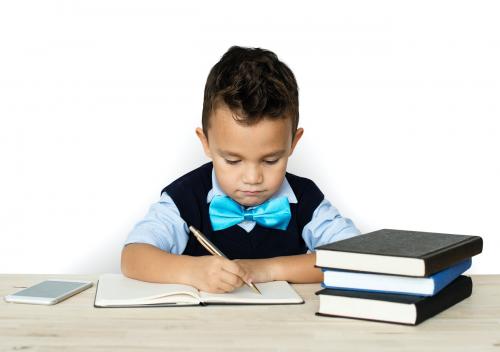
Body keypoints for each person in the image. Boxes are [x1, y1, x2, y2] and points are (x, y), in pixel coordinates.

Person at [121, 46, 360, 293]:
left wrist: (267, 270)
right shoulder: (185, 197)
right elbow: (133, 257)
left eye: (270, 161)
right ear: (206, 143)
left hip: (288, 328)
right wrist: (191, 271)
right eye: (233, 161)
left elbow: (356, 258)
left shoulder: (306, 199)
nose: (252, 178)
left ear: (293, 143)